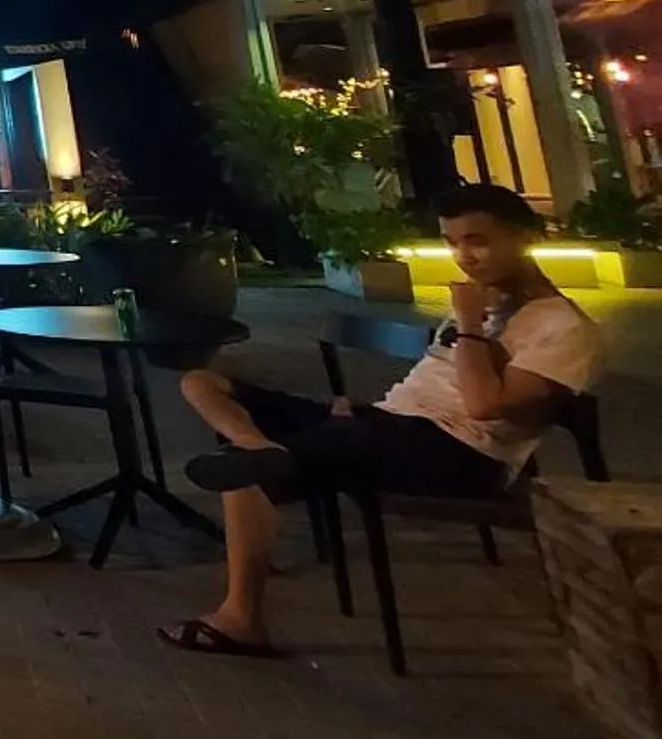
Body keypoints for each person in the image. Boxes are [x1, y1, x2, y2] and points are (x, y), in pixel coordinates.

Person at [161, 183, 605, 658]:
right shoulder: (484, 306)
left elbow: (481, 405)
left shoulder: (564, 327)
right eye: (453, 242)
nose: (464, 256)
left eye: (477, 240)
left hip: (459, 452)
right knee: (204, 382)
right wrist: (357, 409)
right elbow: (428, 385)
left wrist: (471, 327)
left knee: (246, 471)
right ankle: (256, 445)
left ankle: (241, 619)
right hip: (391, 425)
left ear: (525, 237)